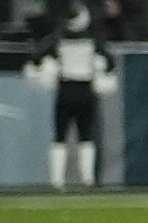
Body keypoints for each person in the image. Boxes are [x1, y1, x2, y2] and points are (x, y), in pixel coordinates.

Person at [45, 12, 110, 189]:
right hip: (85, 91)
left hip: (65, 90)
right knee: (86, 136)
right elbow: (109, 62)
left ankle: (57, 181)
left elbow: (38, 55)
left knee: (60, 136)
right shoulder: (93, 39)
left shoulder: (58, 38)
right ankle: (87, 179)